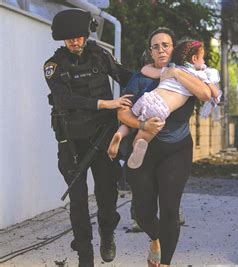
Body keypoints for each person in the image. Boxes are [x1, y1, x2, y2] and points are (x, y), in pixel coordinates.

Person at [44, 9, 133, 266]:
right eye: (69, 38)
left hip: (103, 137)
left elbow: (125, 77)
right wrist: (105, 104)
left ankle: (107, 233)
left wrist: (158, 77)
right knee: (78, 202)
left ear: (86, 35)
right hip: (72, 142)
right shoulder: (54, 66)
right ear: (62, 39)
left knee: (107, 196)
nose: (74, 41)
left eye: (79, 36)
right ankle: (85, 256)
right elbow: (65, 100)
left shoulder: (100, 56)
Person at [116, 27, 212, 266]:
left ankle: (165, 262)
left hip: (176, 150)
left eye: (165, 45)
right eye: (156, 46)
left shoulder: (186, 73)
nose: (161, 49)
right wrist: (142, 123)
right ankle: (155, 238)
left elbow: (205, 93)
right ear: (150, 51)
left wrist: (176, 75)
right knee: (143, 212)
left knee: (170, 208)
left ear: (174, 48)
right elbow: (122, 112)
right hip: (145, 149)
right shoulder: (140, 78)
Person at [107, 39, 221, 169]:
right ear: (194, 59)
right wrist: (212, 85)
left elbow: (146, 70)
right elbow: (213, 94)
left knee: (131, 120)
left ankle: (119, 134)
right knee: (146, 133)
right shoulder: (198, 75)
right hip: (161, 109)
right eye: (203, 59)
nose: (204, 62)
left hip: (148, 98)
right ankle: (138, 144)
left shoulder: (170, 69)